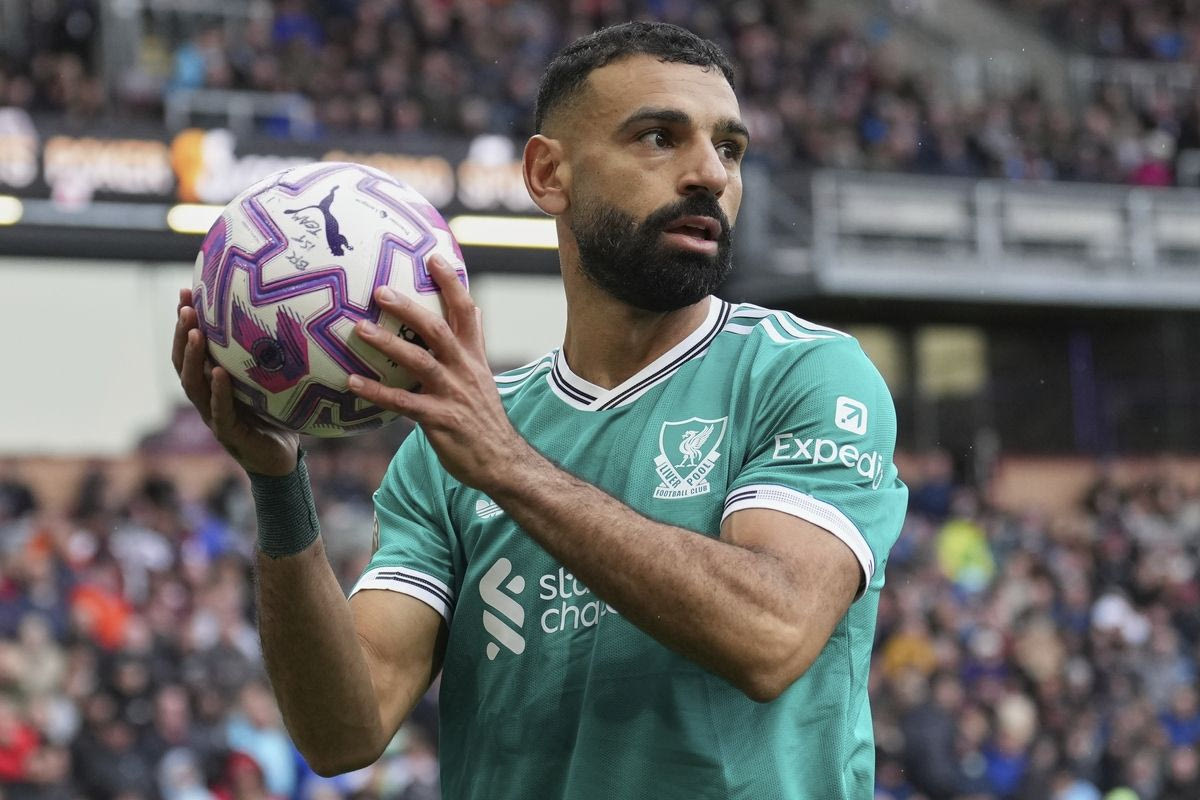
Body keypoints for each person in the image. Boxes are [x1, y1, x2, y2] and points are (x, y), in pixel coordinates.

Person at [171, 21, 907, 800]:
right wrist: (278, 484)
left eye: (729, 148)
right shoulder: (447, 450)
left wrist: (509, 466)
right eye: (659, 137)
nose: (708, 174)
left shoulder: (803, 373)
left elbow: (773, 634)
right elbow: (341, 733)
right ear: (549, 174)